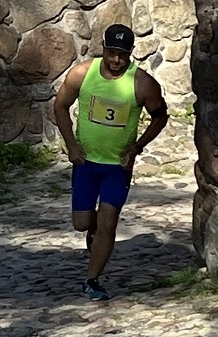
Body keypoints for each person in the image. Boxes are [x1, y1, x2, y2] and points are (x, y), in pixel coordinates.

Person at [54, 24, 169, 301]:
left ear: (131, 53)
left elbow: (160, 116)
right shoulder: (82, 73)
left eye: (123, 54)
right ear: (103, 49)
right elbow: (60, 106)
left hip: (117, 167)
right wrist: (71, 145)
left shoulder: (142, 83)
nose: (117, 60)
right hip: (86, 163)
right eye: (112, 53)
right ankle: (91, 228)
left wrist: (138, 146)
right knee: (81, 223)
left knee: (108, 223)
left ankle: (92, 281)